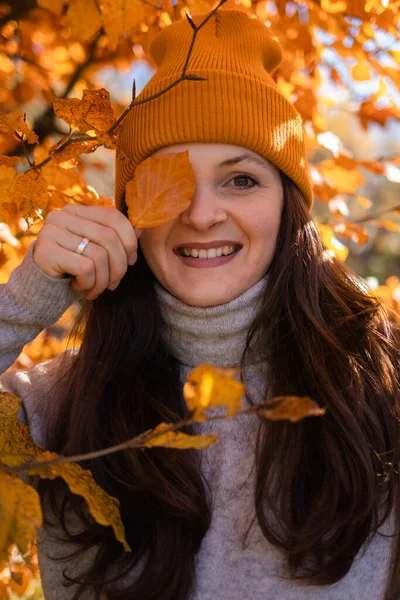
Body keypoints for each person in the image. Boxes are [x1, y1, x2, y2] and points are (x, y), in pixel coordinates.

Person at [0, 8, 399, 600]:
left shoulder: (380, 386)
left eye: (241, 180)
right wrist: (23, 300)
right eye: (171, 180)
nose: (201, 214)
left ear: (289, 208)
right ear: (130, 209)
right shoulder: (53, 406)